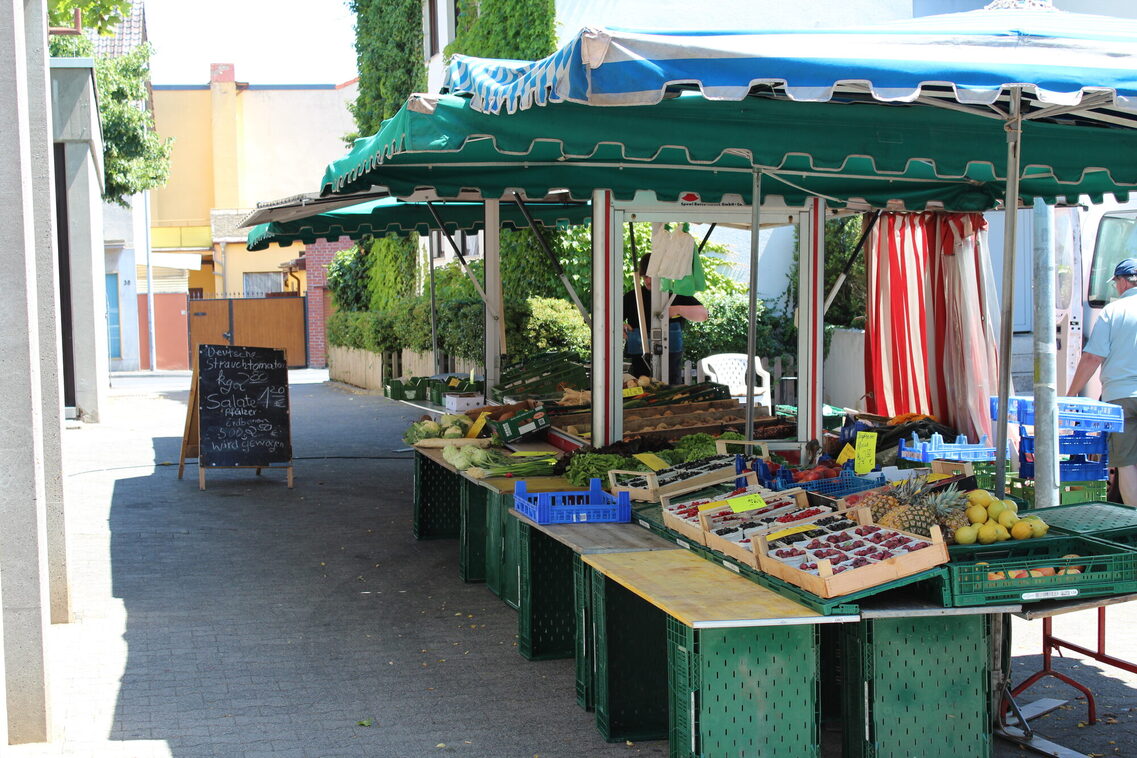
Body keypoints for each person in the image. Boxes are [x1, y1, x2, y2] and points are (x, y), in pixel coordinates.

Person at [1067, 257, 1137, 506]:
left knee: (1126, 462)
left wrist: (1071, 394)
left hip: (1120, 398)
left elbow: (1092, 357)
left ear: (1121, 282)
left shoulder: (1112, 311)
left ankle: (1133, 527)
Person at [623, 253, 708, 382]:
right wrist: (620, 325)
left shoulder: (676, 294)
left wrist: (678, 309)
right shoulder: (632, 297)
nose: (648, 281)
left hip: (671, 368)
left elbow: (703, 314)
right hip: (639, 368)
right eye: (645, 277)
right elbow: (609, 320)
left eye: (651, 276)